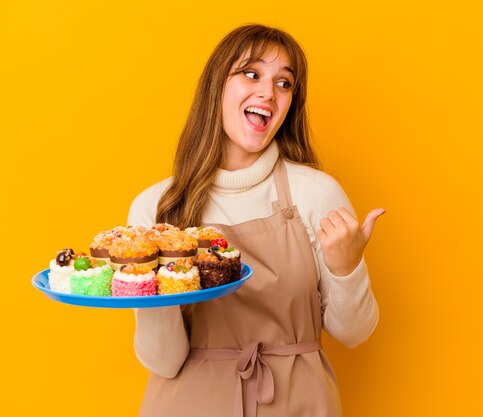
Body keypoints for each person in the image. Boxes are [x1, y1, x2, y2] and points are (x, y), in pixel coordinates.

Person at [127, 23, 384, 417]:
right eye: (251, 73)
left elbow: (354, 332)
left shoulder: (317, 194)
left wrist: (346, 268)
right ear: (218, 86)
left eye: (284, 83)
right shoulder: (158, 210)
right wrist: (157, 283)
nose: (268, 91)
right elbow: (163, 361)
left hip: (300, 403)